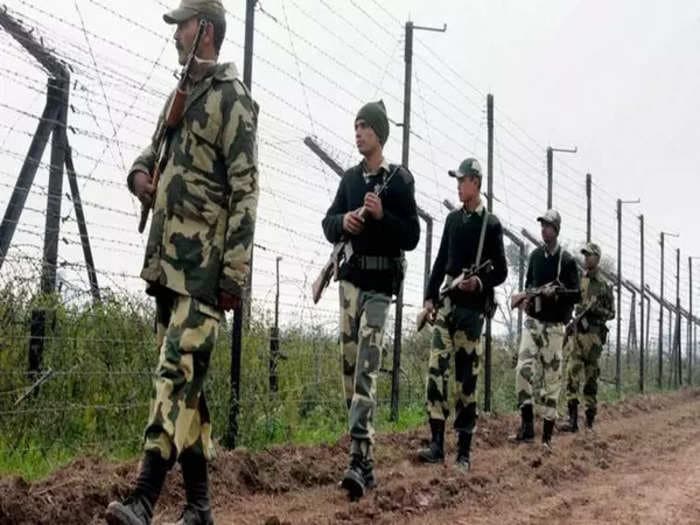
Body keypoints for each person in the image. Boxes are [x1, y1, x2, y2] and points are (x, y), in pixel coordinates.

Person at [105, 1, 259, 523]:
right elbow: (150, 153)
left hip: (204, 273)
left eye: (183, 25)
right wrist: (139, 177)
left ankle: (143, 498)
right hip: (167, 269)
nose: (175, 34)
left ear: (206, 31)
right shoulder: (180, 96)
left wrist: (234, 275)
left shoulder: (231, 100)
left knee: (173, 376)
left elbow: (246, 190)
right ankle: (199, 507)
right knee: (187, 388)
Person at [321, 100, 420, 500]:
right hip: (349, 285)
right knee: (349, 371)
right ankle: (365, 458)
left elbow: (411, 235)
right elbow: (328, 223)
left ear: (379, 133)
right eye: (356, 125)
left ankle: (358, 459)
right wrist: (343, 221)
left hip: (380, 287)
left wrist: (383, 217)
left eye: (364, 126)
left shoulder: (398, 181)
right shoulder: (348, 181)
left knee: (366, 369)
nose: (358, 132)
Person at [416, 158, 507, 471]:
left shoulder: (490, 225)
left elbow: (502, 271)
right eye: (457, 180)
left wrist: (479, 282)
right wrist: (429, 297)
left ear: (477, 183)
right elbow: (442, 260)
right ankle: (437, 444)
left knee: (466, 382)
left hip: (471, 313)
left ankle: (464, 452)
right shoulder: (453, 220)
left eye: (463, 180)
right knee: (435, 373)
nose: (458, 185)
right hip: (447, 306)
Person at [509, 210, 580, 450]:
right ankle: (527, 425)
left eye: (548, 226)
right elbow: (529, 283)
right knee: (522, 369)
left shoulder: (567, 261)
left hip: (555, 326)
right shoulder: (536, 256)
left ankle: (547, 437)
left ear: (556, 230)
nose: (544, 230)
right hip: (534, 321)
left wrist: (558, 293)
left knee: (552, 379)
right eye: (542, 226)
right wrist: (528, 296)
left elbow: (577, 293)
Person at [560, 243, 615, 432]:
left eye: (589, 255)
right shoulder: (579, 280)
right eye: (584, 255)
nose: (586, 259)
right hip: (578, 335)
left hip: (593, 338)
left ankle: (590, 422)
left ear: (597, 258)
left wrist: (595, 310)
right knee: (571, 375)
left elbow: (611, 313)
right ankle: (572, 420)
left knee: (591, 378)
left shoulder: (604, 285)